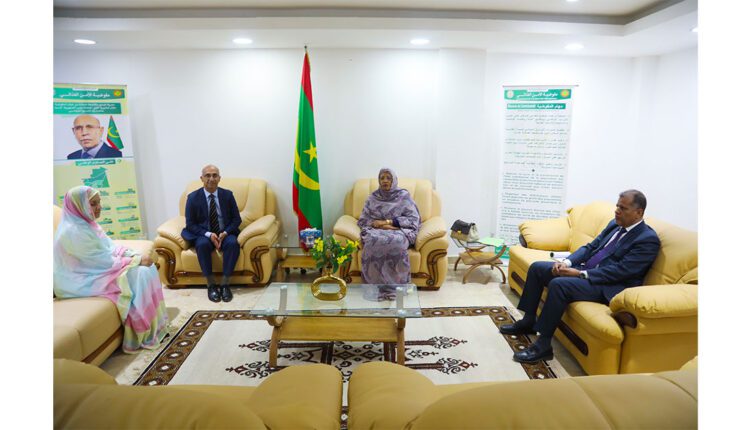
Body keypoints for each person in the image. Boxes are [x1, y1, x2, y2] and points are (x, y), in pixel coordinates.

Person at [500, 190, 661, 363]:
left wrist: (580, 274)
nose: (617, 211)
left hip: (608, 286)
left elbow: (621, 271)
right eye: (617, 206)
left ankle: (543, 345)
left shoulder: (647, 239)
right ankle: (528, 321)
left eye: (623, 208)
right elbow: (590, 247)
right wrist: (567, 263)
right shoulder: (615, 224)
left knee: (559, 285)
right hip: (585, 270)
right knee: (537, 268)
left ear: (639, 212)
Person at [53, 186, 168, 353]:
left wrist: (132, 254)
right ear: (79, 206)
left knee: (146, 269)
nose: (99, 207)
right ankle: (140, 334)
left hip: (94, 270)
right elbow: (100, 261)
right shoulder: (72, 231)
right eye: (93, 204)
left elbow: (109, 247)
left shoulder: (87, 224)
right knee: (140, 273)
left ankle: (154, 327)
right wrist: (135, 260)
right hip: (79, 280)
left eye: (99, 202)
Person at [181, 165, 241, 303]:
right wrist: (209, 235)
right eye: (207, 175)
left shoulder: (228, 195)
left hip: (225, 232)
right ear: (201, 178)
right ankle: (211, 285)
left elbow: (236, 219)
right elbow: (190, 224)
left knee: (233, 243)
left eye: (215, 175)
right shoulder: (193, 197)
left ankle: (225, 284)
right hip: (204, 234)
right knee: (201, 245)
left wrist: (225, 232)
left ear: (219, 178)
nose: (211, 178)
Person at [357, 168, 421, 284]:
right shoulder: (373, 198)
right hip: (376, 230)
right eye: (382, 178)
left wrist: (388, 223)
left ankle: (397, 285)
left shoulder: (403, 196)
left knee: (398, 242)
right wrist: (378, 225)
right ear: (379, 181)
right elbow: (363, 220)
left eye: (388, 178)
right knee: (371, 241)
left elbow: (413, 219)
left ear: (394, 180)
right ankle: (374, 286)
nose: (385, 181)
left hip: (398, 231)